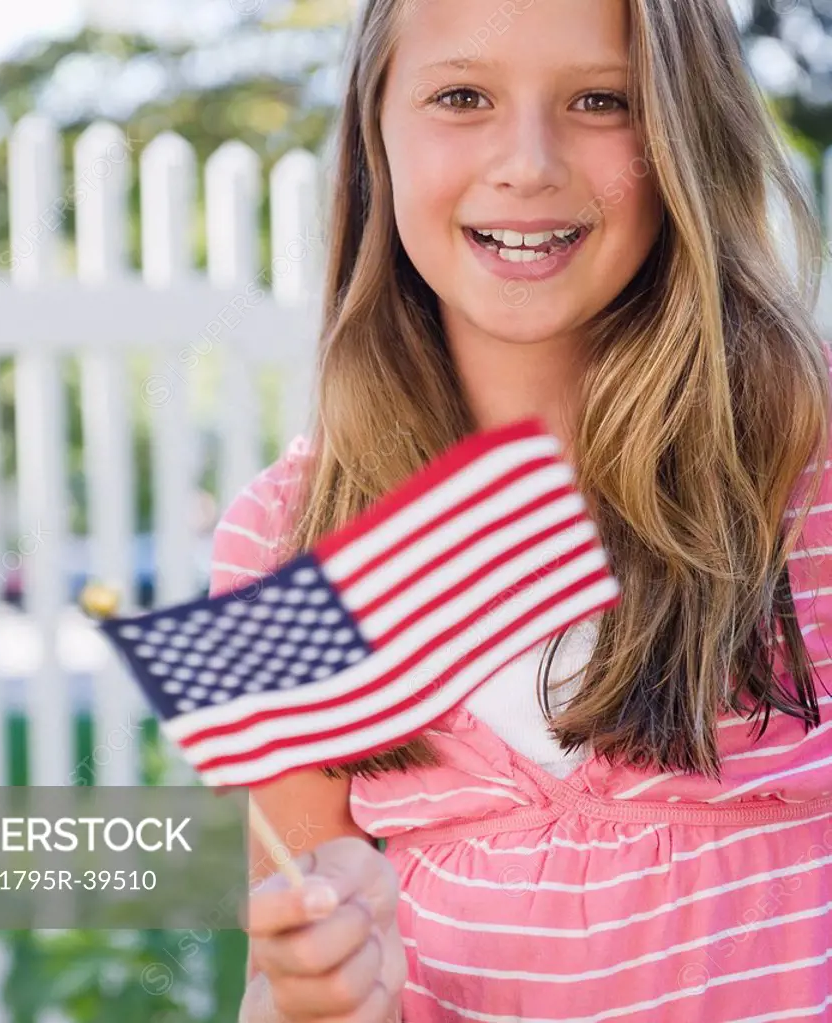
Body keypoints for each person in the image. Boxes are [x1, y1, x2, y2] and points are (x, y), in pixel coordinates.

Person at [210, 0, 832, 1019]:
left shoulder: (809, 470)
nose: (529, 163)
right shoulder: (286, 543)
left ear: (686, 126)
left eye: (602, 100)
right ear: (376, 134)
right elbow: (290, 965)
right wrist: (309, 1000)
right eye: (462, 97)